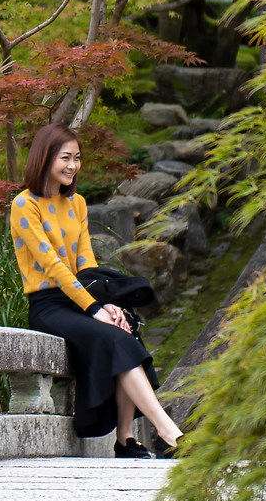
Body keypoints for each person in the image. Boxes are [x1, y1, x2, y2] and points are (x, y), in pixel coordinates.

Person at [9, 121, 183, 458]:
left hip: (81, 298)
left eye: (77, 158)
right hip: (49, 306)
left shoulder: (77, 203)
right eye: (65, 158)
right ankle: (168, 431)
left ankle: (126, 439)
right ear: (44, 159)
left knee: (126, 327)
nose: (72, 165)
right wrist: (93, 309)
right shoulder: (24, 205)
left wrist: (108, 305)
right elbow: (54, 267)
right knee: (115, 338)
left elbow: (85, 263)